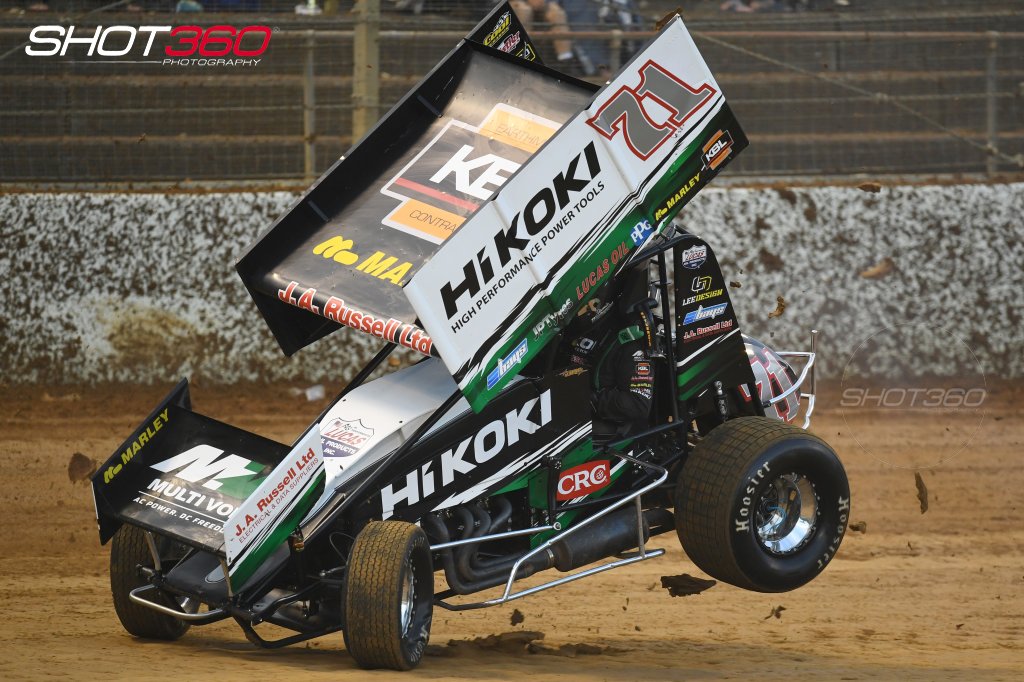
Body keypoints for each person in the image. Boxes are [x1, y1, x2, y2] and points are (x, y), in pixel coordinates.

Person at [566, 266, 656, 441]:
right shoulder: (574, 328)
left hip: (609, 427)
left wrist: (590, 399)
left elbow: (638, 404)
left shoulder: (630, 340)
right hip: (567, 407)